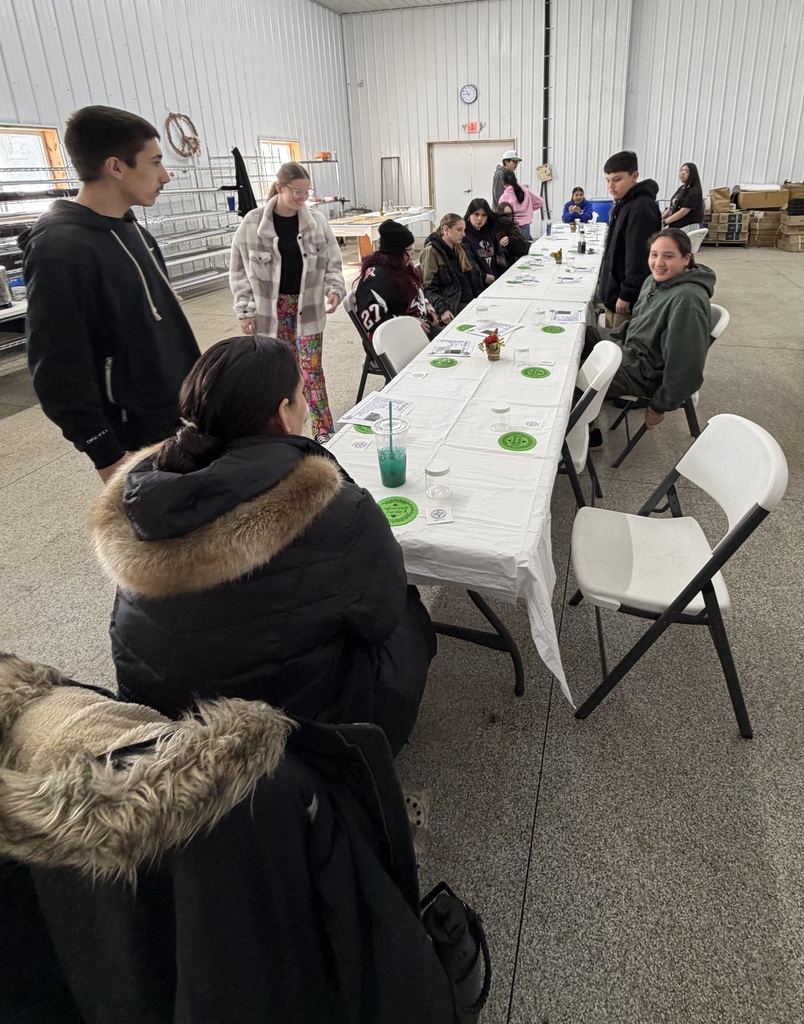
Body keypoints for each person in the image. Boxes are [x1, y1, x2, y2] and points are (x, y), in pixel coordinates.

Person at [90, 335, 436, 756]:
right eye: (300, 394)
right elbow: (380, 618)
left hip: (154, 721)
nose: (306, 404)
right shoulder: (336, 508)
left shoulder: (145, 497)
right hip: (276, 738)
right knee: (408, 611)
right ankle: (359, 772)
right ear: (282, 414)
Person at [21, 105, 201, 484]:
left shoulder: (133, 229)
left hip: (177, 418)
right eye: (154, 162)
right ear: (116, 167)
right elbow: (56, 367)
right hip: (131, 438)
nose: (165, 176)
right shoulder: (59, 247)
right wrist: (105, 452)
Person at [229, 161, 346, 443]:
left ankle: (323, 430)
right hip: (271, 310)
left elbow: (333, 262)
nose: (302, 198)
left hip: (309, 307)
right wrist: (245, 310)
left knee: (311, 370)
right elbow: (239, 270)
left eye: (307, 192)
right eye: (296, 192)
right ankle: (280, 432)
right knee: (278, 373)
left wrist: (334, 288)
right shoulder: (253, 223)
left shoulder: (317, 222)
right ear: (279, 188)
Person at [585, 228, 715, 432]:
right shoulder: (654, 281)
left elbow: (686, 366)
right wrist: (615, 338)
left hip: (642, 373)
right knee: (582, 337)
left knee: (571, 381)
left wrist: (659, 406)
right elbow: (639, 323)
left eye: (669, 256)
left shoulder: (687, 301)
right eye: (654, 255)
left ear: (686, 259)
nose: (659, 263)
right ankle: (587, 420)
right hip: (629, 348)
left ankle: (585, 432)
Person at [597, 150, 661, 328]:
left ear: (634, 176)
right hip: (614, 293)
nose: (611, 186)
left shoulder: (641, 209)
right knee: (610, 338)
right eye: (608, 180)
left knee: (620, 347)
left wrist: (627, 294)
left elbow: (639, 256)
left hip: (625, 301)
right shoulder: (624, 203)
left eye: (617, 179)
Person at [354, 219, 440, 339]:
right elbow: (372, 321)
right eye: (409, 250)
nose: (413, 254)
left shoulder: (401, 268)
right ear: (396, 252)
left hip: (420, 327)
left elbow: (417, 293)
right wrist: (410, 324)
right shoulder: (376, 279)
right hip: (398, 340)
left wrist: (427, 308)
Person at [419, 214, 484, 324]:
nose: (463, 234)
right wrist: (442, 309)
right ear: (446, 229)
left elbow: (474, 277)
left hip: (468, 299)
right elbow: (429, 288)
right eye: (459, 230)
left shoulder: (461, 249)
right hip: (451, 303)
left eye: (464, 230)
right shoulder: (432, 252)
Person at [463, 199, 502, 283]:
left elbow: (498, 253)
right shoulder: (464, 236)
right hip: (477, 283)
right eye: (476, 214)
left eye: (484, 215)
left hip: (493, 279)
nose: (480, 218)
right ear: (469, 215)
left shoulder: (490, 233)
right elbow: (466, 265)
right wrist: (483, 276)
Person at [498, 169, 544, 241]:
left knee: (516, 250)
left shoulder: (504, 197)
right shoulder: (526, 191)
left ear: (503, 183)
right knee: (525, 249)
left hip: (512, 229)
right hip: (526, 228)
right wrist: (529, 209)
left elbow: (501, 216)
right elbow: (540, 202)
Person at [662, 162, 705, 230]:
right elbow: (672, 206)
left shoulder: (693, 191)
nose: (682, 173)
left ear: (692, 174)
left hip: (686, 227)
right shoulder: (681, 188)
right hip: (676, 226)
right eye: (681, 170)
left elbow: (683, 212)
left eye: (686, 171)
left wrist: (665, 222)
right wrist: (661, 218)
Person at [493, 201, 530, 268]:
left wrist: (513, 241)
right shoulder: (495, 231)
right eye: (505, 215)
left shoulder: (514, 229)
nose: (508, 217)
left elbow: (526, 247)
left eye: (510, 214)